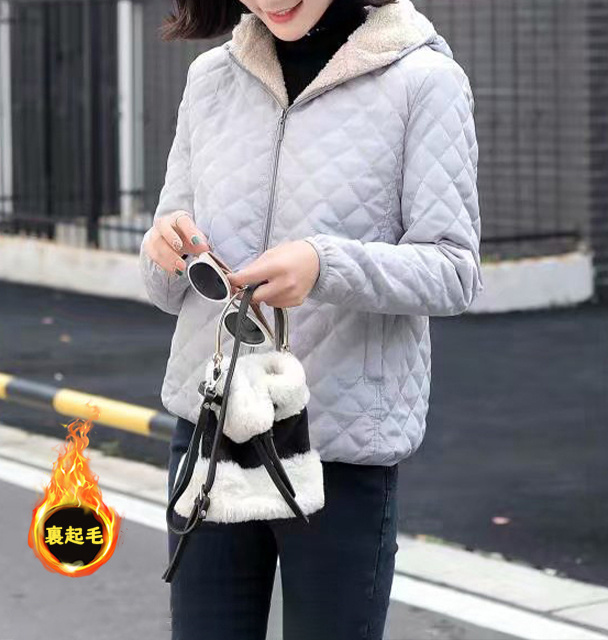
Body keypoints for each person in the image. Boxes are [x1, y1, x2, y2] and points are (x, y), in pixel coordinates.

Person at [139, 0, 483, 638]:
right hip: (211, 428)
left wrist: (325, 265)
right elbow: (164, 282)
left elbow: (454, 270)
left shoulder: (424, 81)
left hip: (339, 446)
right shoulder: (211, 78)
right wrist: (162, 249)